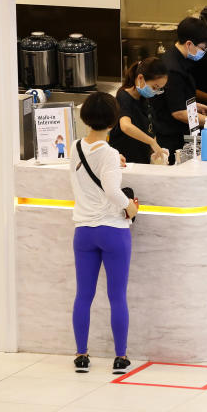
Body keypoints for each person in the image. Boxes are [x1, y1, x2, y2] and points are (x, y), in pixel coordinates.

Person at [69, 92, 139, 374]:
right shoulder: (109, 154)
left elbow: (89, 169)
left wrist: (113, 162)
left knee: (83, 295)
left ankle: (81, 355)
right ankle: (120, 357)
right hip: (112, 231)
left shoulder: (75, 147)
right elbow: (111, 190)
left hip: (83, 230)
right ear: (112, 120)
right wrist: (129, 207)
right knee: (117, 296)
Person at [152, 17, 207, 163]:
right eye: (202, 48)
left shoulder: (182, 60)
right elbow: (179, 112)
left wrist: (197, 106)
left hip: (181, 132)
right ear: (189, 44)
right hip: (171, 137)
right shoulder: (172, 69)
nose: (203, 52)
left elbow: (178, 98)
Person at [109, 57, 168, 165]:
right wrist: (152, 142)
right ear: (140, 78)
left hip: (141, 160)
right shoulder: (123, 96)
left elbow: (149, 127)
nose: (155, 91)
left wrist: (156, 151)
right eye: (155, 87)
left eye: (159, 89)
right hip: (125, 161)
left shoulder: (145, 97)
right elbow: (126, 126)